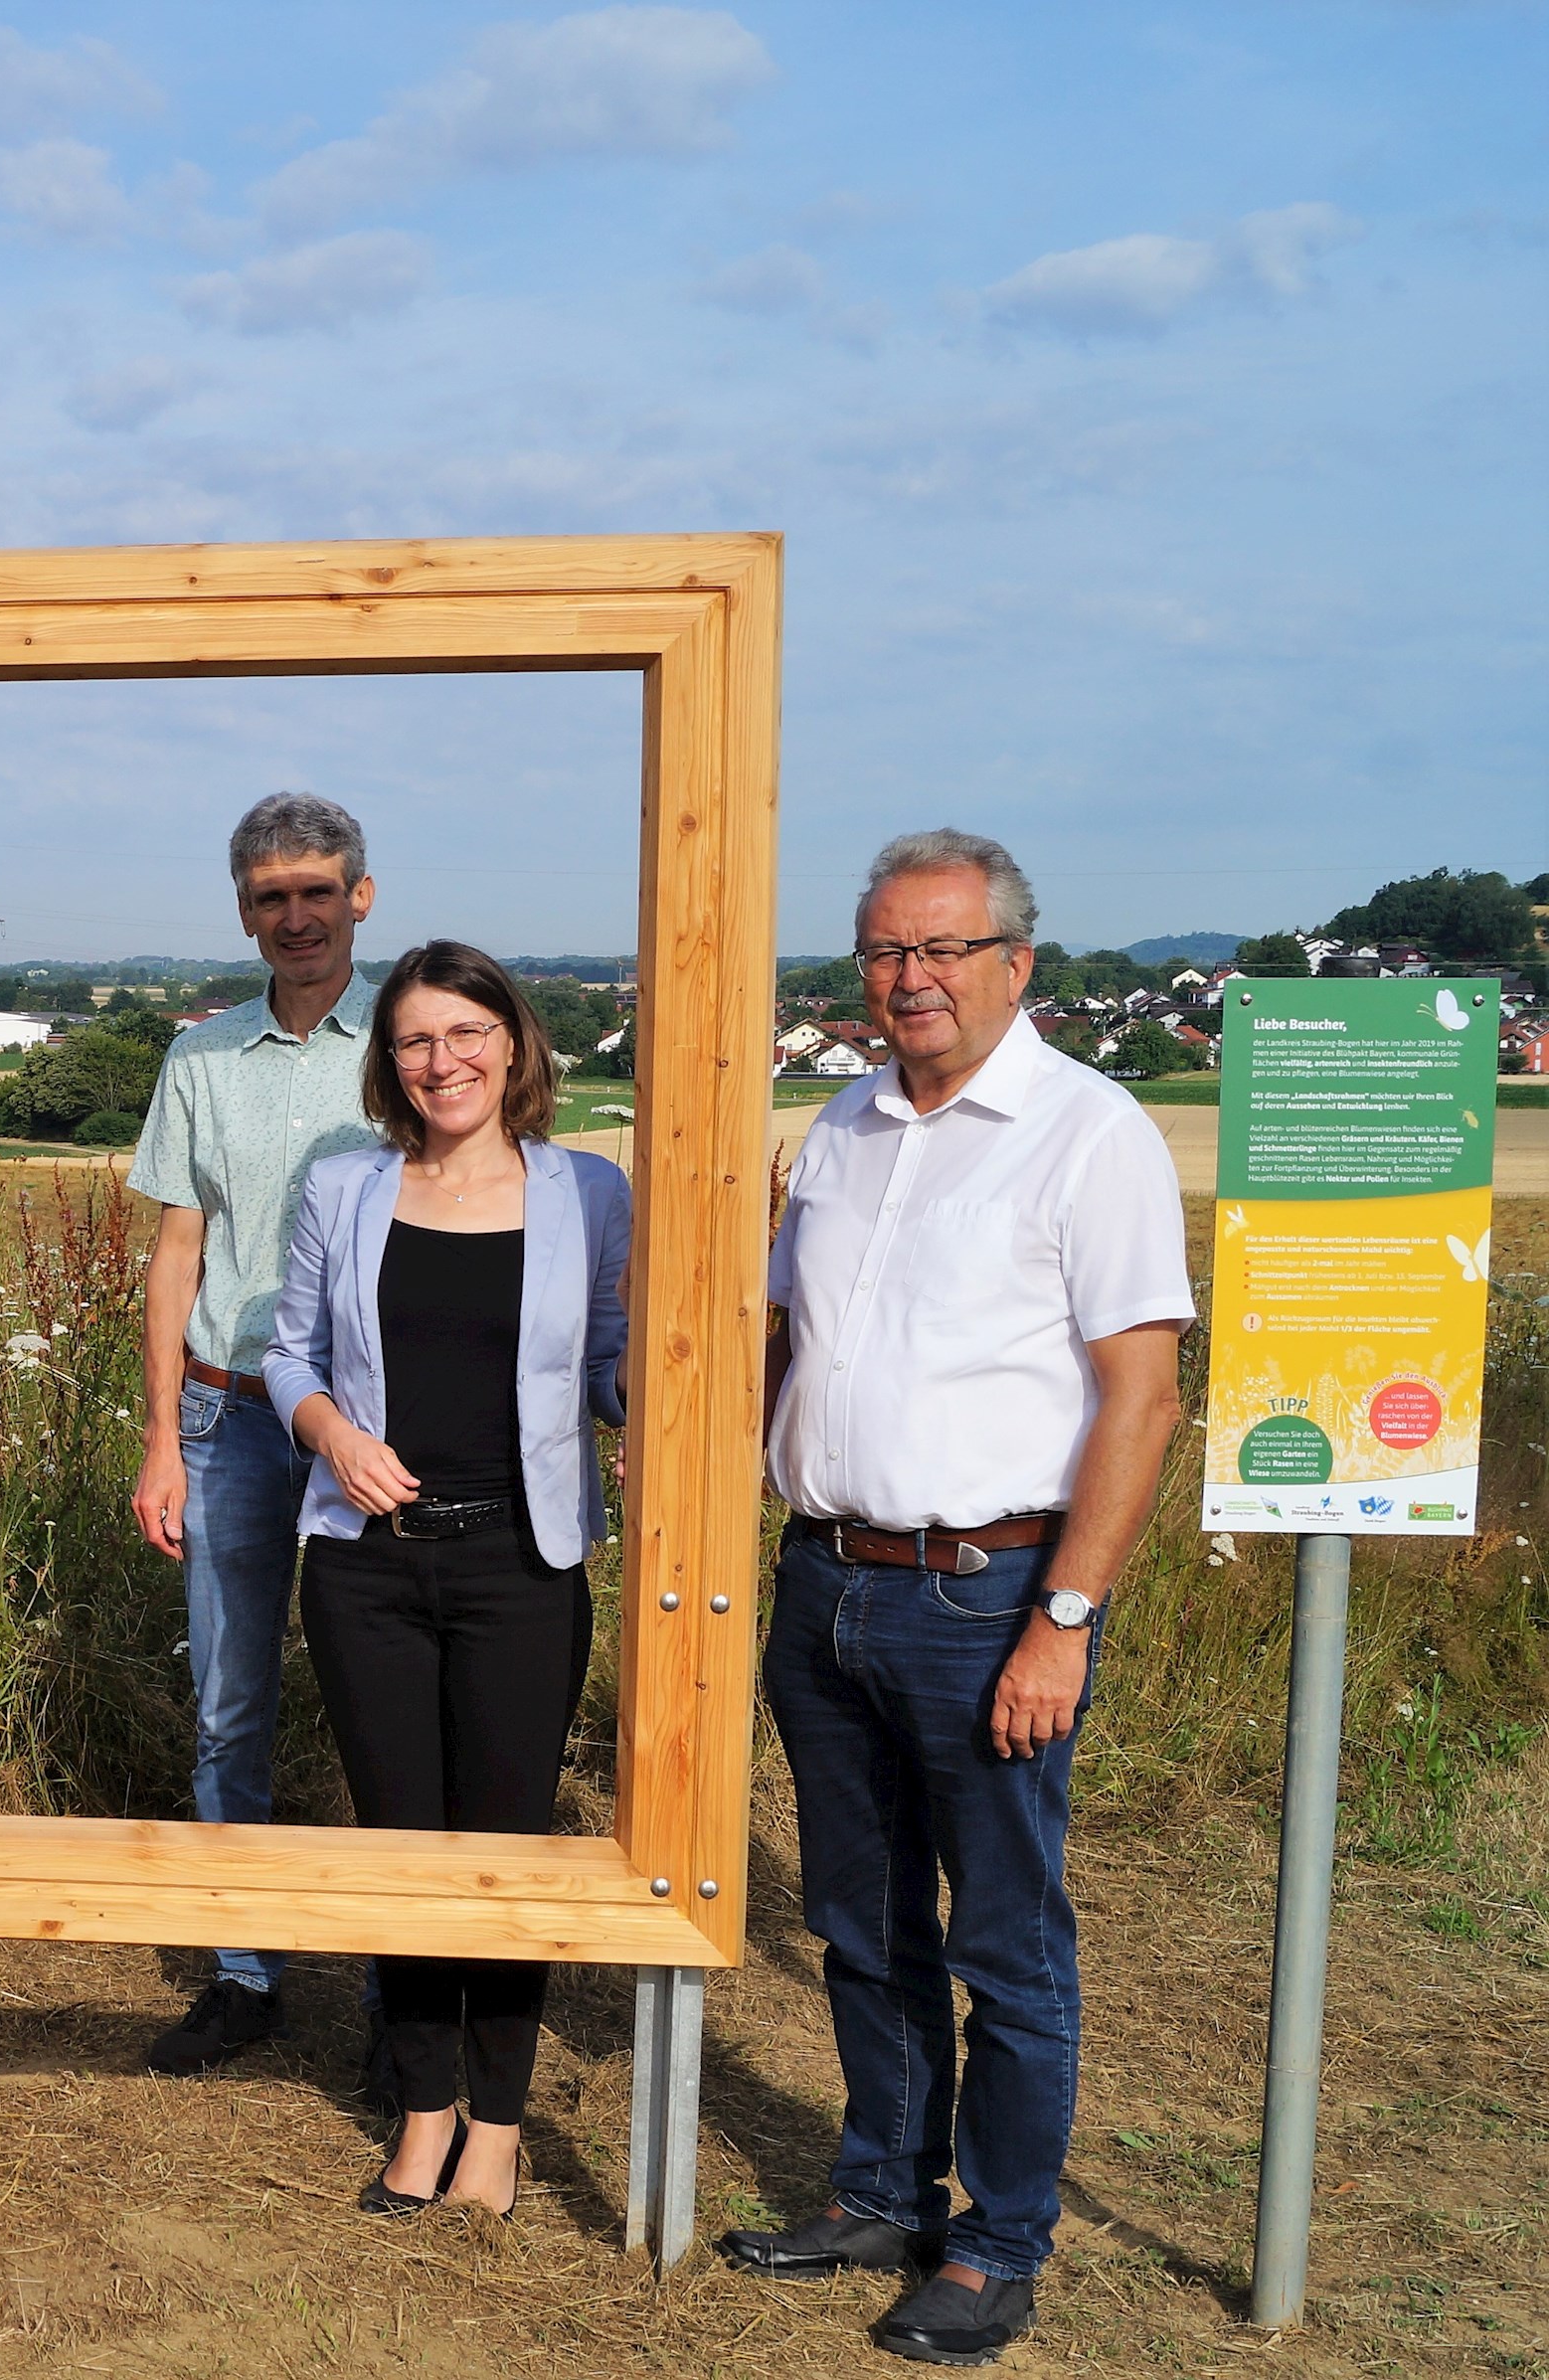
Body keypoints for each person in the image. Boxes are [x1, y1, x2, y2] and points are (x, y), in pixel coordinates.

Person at [714, 831, 1189, 2367]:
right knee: (859, 1920)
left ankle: (994, 2245)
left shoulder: (1085, 1132)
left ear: (1014, 963)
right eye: (882, 952)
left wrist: (1063, 1617)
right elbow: (788, 1349)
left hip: (989, 1596)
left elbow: (1144, 1397)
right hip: (828, 1582)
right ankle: (878, 2189)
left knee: (1003, 1940)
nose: (908, 979)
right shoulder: (843, 1130)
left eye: (941, 950)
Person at [263, 941, 628, 2215]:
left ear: (516, 1045)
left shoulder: (589, 1192)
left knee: (507, 1846)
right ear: (390, 1061)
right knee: (401, 1846)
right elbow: (286, 1357)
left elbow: (619, 1369)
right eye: (418, 1040)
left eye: (468, 1032)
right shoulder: (345, 1190)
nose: (444, 1060)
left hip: (521, 1566)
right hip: (366, 1570)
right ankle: (424, 2112)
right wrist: (333, 1435)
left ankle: (501, 2123)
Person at [122, 792, 390, 2076]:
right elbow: (176, 1254)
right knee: (230, 1702)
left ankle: (408, 1988)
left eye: (316, 891)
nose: (296, 915)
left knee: (382, 1707)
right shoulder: (200, 1060)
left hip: (365, 1422)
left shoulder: (411, 1041)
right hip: (228, 1415)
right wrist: (163, 1436)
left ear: (361, 897)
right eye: (271, 896)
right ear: (244, 912)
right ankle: (244, 1972)